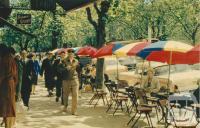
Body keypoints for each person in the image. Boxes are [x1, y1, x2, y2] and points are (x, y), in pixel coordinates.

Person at [0, 44, 18, 128]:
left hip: (5, 86)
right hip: (11, 84)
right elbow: (16, 76)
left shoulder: (4, 60)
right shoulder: (11, 59)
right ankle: (8, 125)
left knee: (6, 108)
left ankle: (7, 125)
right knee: (9, 107)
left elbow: (2, 75)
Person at [62, 50, 79, 115]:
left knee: (75, 95)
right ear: (68, 54)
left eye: (72, 53)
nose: (71, 54)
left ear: (73, 54)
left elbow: (78, 69)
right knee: (66, 95)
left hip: (74, 79)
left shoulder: (76, 61)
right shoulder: (63, 61)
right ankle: (65, 106)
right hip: (66, 80)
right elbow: (59, 69)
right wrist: (66, 68)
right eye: (69, 53)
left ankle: (74, 110)